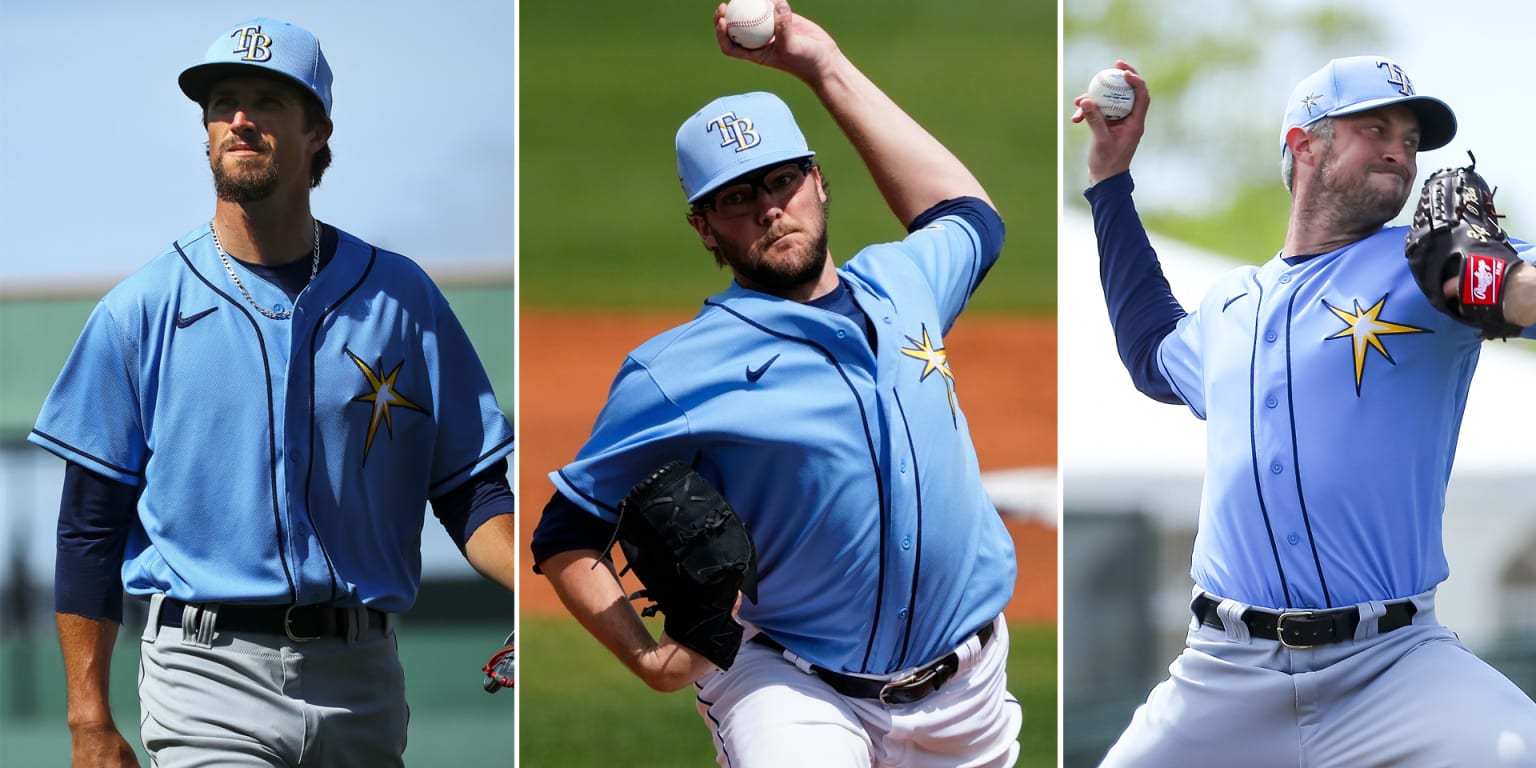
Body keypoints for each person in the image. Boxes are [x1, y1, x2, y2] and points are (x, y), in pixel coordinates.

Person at [530, 1, 1022, 765]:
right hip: (793, 687)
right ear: (705, 227)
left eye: (782, 180)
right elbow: (567, 529)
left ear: (819, 182)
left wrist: (822, 63)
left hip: (970, 692)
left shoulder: (905, 281)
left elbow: (967, 214)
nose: (768, 207)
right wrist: (649, 660)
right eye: (737, 196)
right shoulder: (676, 371)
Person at [29, 18, 516, 767]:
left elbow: (467, 487)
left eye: (266, 100)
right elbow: (88, 528)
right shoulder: (140, 311)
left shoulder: (401, 298)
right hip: (203, 671)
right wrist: (88, 719)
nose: (240, 120)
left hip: (362, 678)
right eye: (224, 102)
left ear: (318, 129)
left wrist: (537, 583)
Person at [1071, 56, 1536, 766]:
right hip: (1222, 673)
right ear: (1304, 144)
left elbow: (1518, 296)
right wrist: (1109, 179)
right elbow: (1152, 351)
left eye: (1410, 140)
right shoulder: (1231, 304)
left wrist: (1485, 270)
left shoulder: (1428, 266)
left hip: (1397, 667)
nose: (1398, 151)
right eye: (1374, 127)